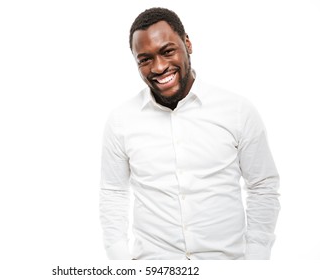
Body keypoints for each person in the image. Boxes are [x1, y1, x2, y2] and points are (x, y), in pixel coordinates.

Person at [99, 7, 280, 260]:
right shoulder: (121, 121)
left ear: (187, 44)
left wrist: (255, 260)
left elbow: (262, 185)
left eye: (167, 51)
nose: (159, 67)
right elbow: (113, 192)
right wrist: (121, 264)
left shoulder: (238, 111)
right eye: (145, 59)